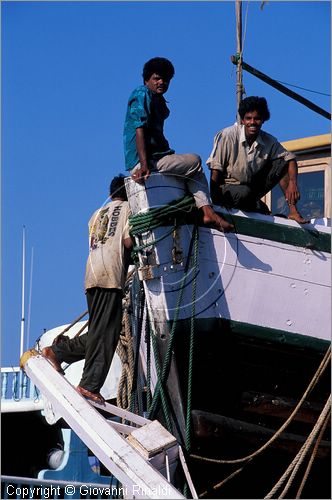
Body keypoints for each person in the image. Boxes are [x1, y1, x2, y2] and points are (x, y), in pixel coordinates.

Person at [42, 175, 132, 403]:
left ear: (111, 193)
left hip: (91, 276)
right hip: (111, 277)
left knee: (97, 333)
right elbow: (128, 241)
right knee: (106, 335)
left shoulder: (96, 214)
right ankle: (89, 385)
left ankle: (57, 352)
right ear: (129, 192)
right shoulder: (130, 209)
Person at [123, 56, 234, 232]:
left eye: (165, 79)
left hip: (156, 157)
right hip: (145, 161)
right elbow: (139, 128)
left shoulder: (159, 101)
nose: (161, 82)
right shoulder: (142, 94)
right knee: (195, 162)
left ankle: (206, 211)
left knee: (189, 169)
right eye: (156, 78)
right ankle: (207, 211)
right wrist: (143, 165)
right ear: (147, 80)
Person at [207, 96, 308, 224]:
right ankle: (254, 205)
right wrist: (216, 205)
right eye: (249, 118)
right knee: (246, 194)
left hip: (250, 188)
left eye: (257, 118)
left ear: (263, 120)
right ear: (243, 120)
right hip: (228, 189)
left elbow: (289, 159)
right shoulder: (228, 135)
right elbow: (215, 169)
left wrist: (293, 183)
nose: (253, 122)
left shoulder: (269, 141)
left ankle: (293, 211)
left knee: (283, 162)